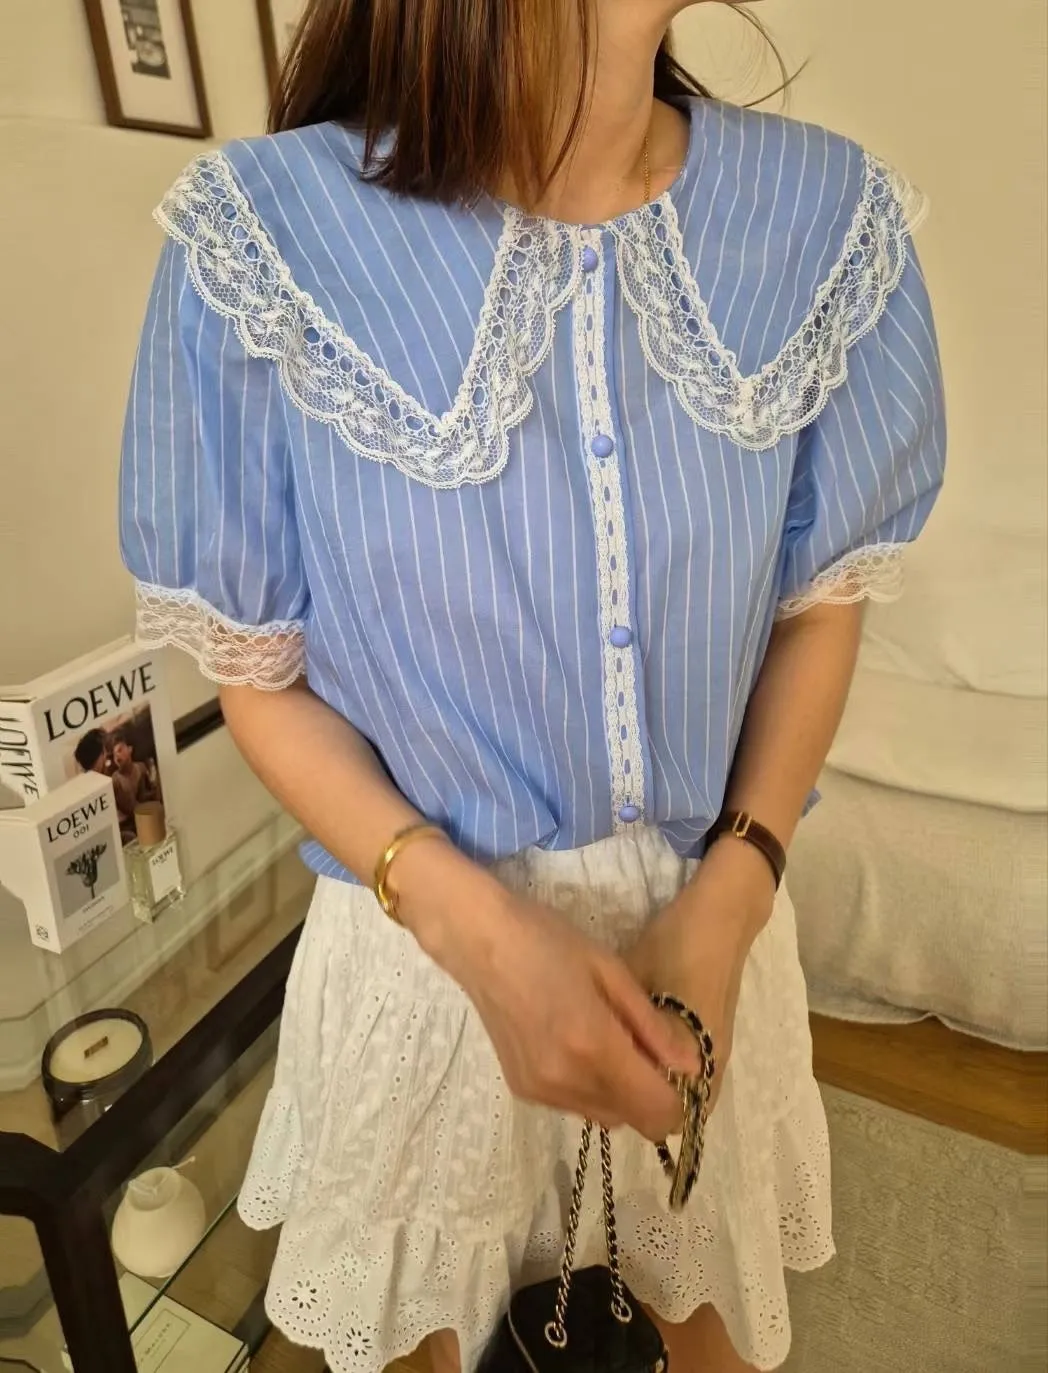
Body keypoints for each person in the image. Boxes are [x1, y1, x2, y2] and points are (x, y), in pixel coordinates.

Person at [118, 2, 945, 1368]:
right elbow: (261, 679)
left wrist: (734, 891)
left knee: (704, 1332)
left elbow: (819, 606)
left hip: (709, 942)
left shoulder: (824, 221)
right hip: (422, 962)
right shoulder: (260, 239)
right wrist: (475, 934)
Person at [109, 727, 157, 841]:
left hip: (143, 817)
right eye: (114, 755)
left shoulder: (141, 767)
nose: (117, 757)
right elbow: (130, 808)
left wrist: (154, 784)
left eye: (120, 750)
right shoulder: (115, 780)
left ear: (130, 749)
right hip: (127, 825)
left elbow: (148, 794)